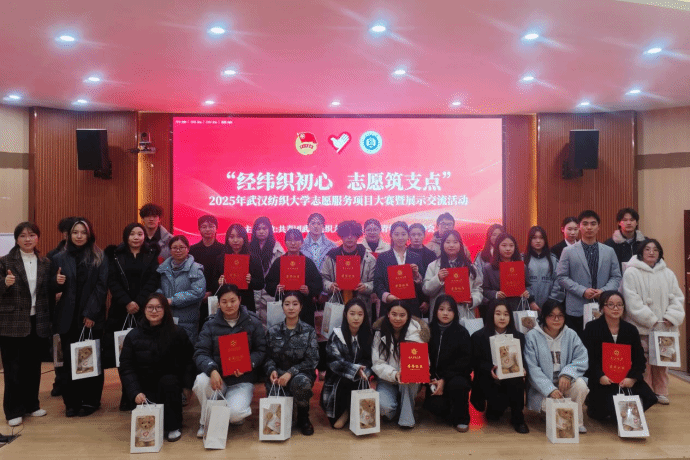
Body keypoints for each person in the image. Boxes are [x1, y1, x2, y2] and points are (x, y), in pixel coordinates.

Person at [118, 294, 195, 442]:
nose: (154, 311)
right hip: (143, 388)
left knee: (169, 381)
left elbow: (188, 361)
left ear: (165, 310)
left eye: (159, 307)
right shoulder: (132, 336)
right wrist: (135, 392)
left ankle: (173, 426)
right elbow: (126, 368)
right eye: (150, 307)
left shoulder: (178, 333)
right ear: (144, 310)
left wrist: (187, 386)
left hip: (170, 387)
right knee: (149, 427)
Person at [51, 218, 108, 417]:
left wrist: (91, 313)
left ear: (89, 234)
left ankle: (91, 401)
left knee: (89, 359)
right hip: (66, 318)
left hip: (90, 318)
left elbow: (101, 287)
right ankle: (71, 402)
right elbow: (51, 288)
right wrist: (56, 283)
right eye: (75, 232)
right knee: (68, 362)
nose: (79, 236)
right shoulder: (59, 258)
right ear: (69, 235)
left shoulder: (99, 256)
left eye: (83, 232)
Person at [193, 284, 266, 437]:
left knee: (235, 414)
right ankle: (206, 421)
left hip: (242, 380)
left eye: (233, 301)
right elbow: (200, 353)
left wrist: (248, 364)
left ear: (239, 300)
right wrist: (212, 370)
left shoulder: (253, 322)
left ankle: (226, 413)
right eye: (224, 301)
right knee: (200, 381)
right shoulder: (210, 324)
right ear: (218, 303)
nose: (229, 305)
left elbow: (261, 350)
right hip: (218, 379)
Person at [621, 238, 685, 405]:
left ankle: (661, 391)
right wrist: (650, 319)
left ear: (660, 253)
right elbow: (631, 300)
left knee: (663, 361)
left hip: (665, 326)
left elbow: (677, 298)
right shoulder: (631, 272)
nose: (651, 252)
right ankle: (646, 391)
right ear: (641, 252)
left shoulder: (668, 273)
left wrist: (671, 317)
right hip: (642, 326)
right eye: (647, 249)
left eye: (655, 250)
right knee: (644, 361)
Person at [0, 222, 52, 427]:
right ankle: (13, 410)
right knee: (13, 369)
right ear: (16, 239)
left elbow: (46, 290)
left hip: (37, 320)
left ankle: (31, 404)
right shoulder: (5, 261)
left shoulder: (45, 262)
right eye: (23, 236)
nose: (27, 239)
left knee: (33, 367)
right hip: (12, 322)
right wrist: (4, 283)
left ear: (37, 237)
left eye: (31, 235)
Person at [105, 223, 160, 410]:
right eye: (132, 234)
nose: (136, 237)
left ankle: (143, 394)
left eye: (140, 234)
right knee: (124, 355)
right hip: (121, 311)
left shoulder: (151, 254)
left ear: (145, 236)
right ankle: (127, 394)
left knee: (144, 353)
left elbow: (153, 280)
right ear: (126, 236)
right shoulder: (115, 255)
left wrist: (139, 301)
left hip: (145, 310)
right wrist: (127, 302)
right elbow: (112, 281)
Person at [582, 291, 657, 420]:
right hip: (603, 380)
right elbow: (588, 358)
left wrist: (632, 378)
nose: (615, 308)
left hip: (625, 378)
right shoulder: (592, 328)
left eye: (619, 305)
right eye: (610, 304)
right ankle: (598, 407)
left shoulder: (630, 330)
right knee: (607, 410)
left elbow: (639, 359)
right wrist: (600, 376)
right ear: (602, 307)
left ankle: (617, 413)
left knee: (650, 398)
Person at [523, 299, 589, 433]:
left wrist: (567, 374)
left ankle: (576, 422)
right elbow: (532, 368)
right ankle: (550, 415)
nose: (556, 319)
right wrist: (550, 389)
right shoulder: (532, 336)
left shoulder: (571, 334)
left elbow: (582, 358)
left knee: (581, 385)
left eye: (560, 315)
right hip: (542, 389)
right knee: (553, 408)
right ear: (544, 316)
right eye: (551, 315)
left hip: (565, 382)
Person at [556, 210, 622, 334]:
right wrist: (582, 291)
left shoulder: (609, 251)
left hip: (603, 306)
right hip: (576, 308)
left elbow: (616, 277)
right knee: (577, 342)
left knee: (601, 342)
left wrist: (603, 291)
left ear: (598, 227)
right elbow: (561, 277)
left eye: (593, 223)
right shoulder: (568, 251)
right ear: (579, 227)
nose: (589, 227)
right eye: (585, 224)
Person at [264, 291, 319, 435]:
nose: (291, 308)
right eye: (287, 304)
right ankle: (291, 411)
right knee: (280, 423)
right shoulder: (273, 331)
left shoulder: (309, 331)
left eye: (295, 304)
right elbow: (267, 357)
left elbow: (312, 360)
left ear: (301, 307)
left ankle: (303, 417)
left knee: (301, 383)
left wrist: (290, 373)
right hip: (278, 375)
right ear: (282, 307)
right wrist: (272, 370)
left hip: (300, 374)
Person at [470, 301, 529, 434]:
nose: (502, 318)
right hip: (489, 378)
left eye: (506, 314)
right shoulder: (478, 336)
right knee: (493, 416)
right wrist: (490, 369)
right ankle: (493, 406)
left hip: (511, 380)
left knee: (517, 379)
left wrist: (523, 368)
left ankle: (518, 418)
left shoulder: (519, 337)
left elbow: (523, 359)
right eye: (498, 314)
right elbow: (475, 362)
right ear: (491, 315)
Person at [372, 303, 430, 429]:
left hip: (409, 381)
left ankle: (406, 419)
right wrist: (395, 374)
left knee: (408, 379)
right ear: (388, 314)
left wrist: (418, 371)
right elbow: (377, 363)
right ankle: (397, 408)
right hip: (387, 379)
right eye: (394, 314)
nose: (397, 318)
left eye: (402, 315)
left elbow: (425, 360)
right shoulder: (379, 332)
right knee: (383, 407)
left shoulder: (417, 332)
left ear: (408, 316)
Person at [320, 298, 373, 428]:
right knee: (336, 425)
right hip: (337, 379)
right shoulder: (337, 334)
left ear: (364, 316)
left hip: (360, 378)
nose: (356, 318)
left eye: (360, 314)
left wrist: (362, 371)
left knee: (358, 381)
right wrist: (355, 370)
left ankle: (352, 411)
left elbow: (370, 360)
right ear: (345, 314)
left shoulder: (368, 335)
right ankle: (346, 411)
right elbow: (334, 361)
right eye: (352, 313)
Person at [425, 295, 472, 432]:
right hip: (433, 378)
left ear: (455, 312)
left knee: (458, 385)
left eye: (450, 310)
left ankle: (462, 418)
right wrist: (432, 378)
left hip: (455, 377)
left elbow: (466, 362)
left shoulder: (462, 332)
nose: (445, 313)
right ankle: (450, 410)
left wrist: (445, 379)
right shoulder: (427, 330)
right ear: (435, 311)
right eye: (441, 309)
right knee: (436, 407)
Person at [264, 229, 323, 327]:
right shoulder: (279, 262)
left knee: (304, 334)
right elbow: (268, 284)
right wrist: (276, 288)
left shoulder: (308, 263)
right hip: (283, 308)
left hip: (305, 308)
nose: (293, 243)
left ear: (302, 242)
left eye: (296, 240)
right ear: (285, 243)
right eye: (290, 240)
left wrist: (309, 290)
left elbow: (318, 284)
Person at [156, 235, 206, 345]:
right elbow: (157, 287)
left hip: (188, 321)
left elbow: (198, 292)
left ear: (188, 249)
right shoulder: (162, 269)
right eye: (174, 248)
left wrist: (173, 300)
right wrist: (160, 299)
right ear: (170, 250)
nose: (178, 250)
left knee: (186, 350)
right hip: (166, 318)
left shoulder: (195, 268)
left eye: (181, 247)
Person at [423, 230, 482, 319]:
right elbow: (426, 290)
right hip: (441, 314)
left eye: (455, 242)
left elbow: (477, 289)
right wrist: (438, 278)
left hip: (463, 312)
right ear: (442, 245)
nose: (451, 245)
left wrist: (472, 300)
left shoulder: (470, 266)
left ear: (460, 245)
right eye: (447, 242)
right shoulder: (433, 266)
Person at [321, 220, 377, 315]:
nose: (350, 237)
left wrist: (366, 287)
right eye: (346, 234)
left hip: (361, 306)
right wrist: (330, 286)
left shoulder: (368, 258)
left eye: (353, 234)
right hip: (336, 304)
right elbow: (323, 279)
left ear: (358, 236)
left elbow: (376, 282)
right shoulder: (331, 257)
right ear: (341, 236)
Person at [47, 217, 76, 397]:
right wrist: (54, 289)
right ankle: (59, 380)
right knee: (57, 348)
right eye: (66, 232)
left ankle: (75, 382)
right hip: (59, 309)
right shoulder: (53, 255)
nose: (69, 235)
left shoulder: (87, 254)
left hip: (76, 308)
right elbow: (46, 282)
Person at [374, 222, 424, 317]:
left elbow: (422, 283)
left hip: (411, 305)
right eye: (396, 234)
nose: (400, 238)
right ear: (391, 236)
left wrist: (416, 275)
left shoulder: (416, 257)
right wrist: (387, 296)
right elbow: (377, 282)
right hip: (389, 305)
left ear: (408, 236)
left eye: (403, 234)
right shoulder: (383, 257)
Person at [211, 223, 264, 314]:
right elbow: (213, 282)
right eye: (232, 237)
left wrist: (250, 281)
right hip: (226, 303)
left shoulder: (254, 258)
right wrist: (219, 282)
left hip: (246, 303)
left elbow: (261, 284)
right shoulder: (221, 258)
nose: (235, 240)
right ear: (227, 239)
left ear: (244, 238)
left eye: (239, 237)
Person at [189, 215, 225, 329]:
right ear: (199, 229)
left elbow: (223, 274)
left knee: (215, 326)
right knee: (197, 326)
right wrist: (200, 292)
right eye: (204, 227)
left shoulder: (223, 249)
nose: (208, 229)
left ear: (216, 228)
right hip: (196, 296)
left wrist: (211, 291)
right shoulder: (192, 250)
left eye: (211, 226)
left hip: (217, 294)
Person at [482, 233, 532, 312]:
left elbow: (528, 286)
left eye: (511, 246)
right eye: (504, 245)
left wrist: (526, 293)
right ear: (497, 247)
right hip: (497, 308)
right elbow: (485, 290)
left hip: (517, 307)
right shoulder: (489, 268)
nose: (508, 249)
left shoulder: (522, 267)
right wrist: (495, 294)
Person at [250, 217, 285, 324]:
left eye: (264, 228)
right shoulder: (248, 248)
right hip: (251, 294)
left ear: (269, 230)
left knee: (270, 326)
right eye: (258, 229)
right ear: (254, 231)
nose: (261, 231)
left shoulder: (277, 250)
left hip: (270, 296)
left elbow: (283, 274)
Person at [524, 226, 563, 310]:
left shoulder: (553, 260)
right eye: (534, 238)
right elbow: (521, 284)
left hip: (549, 307)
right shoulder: (523, 259)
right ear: (529, 240)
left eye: (541, 238)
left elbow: (559, 281)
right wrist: (531, 301)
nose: (538, 241)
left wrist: (550, 302)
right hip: (527, 306)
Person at [409, 223, 439, 316]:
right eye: (413, 235)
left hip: (427, 297)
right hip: (408, 298)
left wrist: (427, 301)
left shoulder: (431, 255)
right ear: (409, 236)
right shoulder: (404, 253)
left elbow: (434, 279)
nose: (416, 237)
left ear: (424, 235)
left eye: (419, 234)